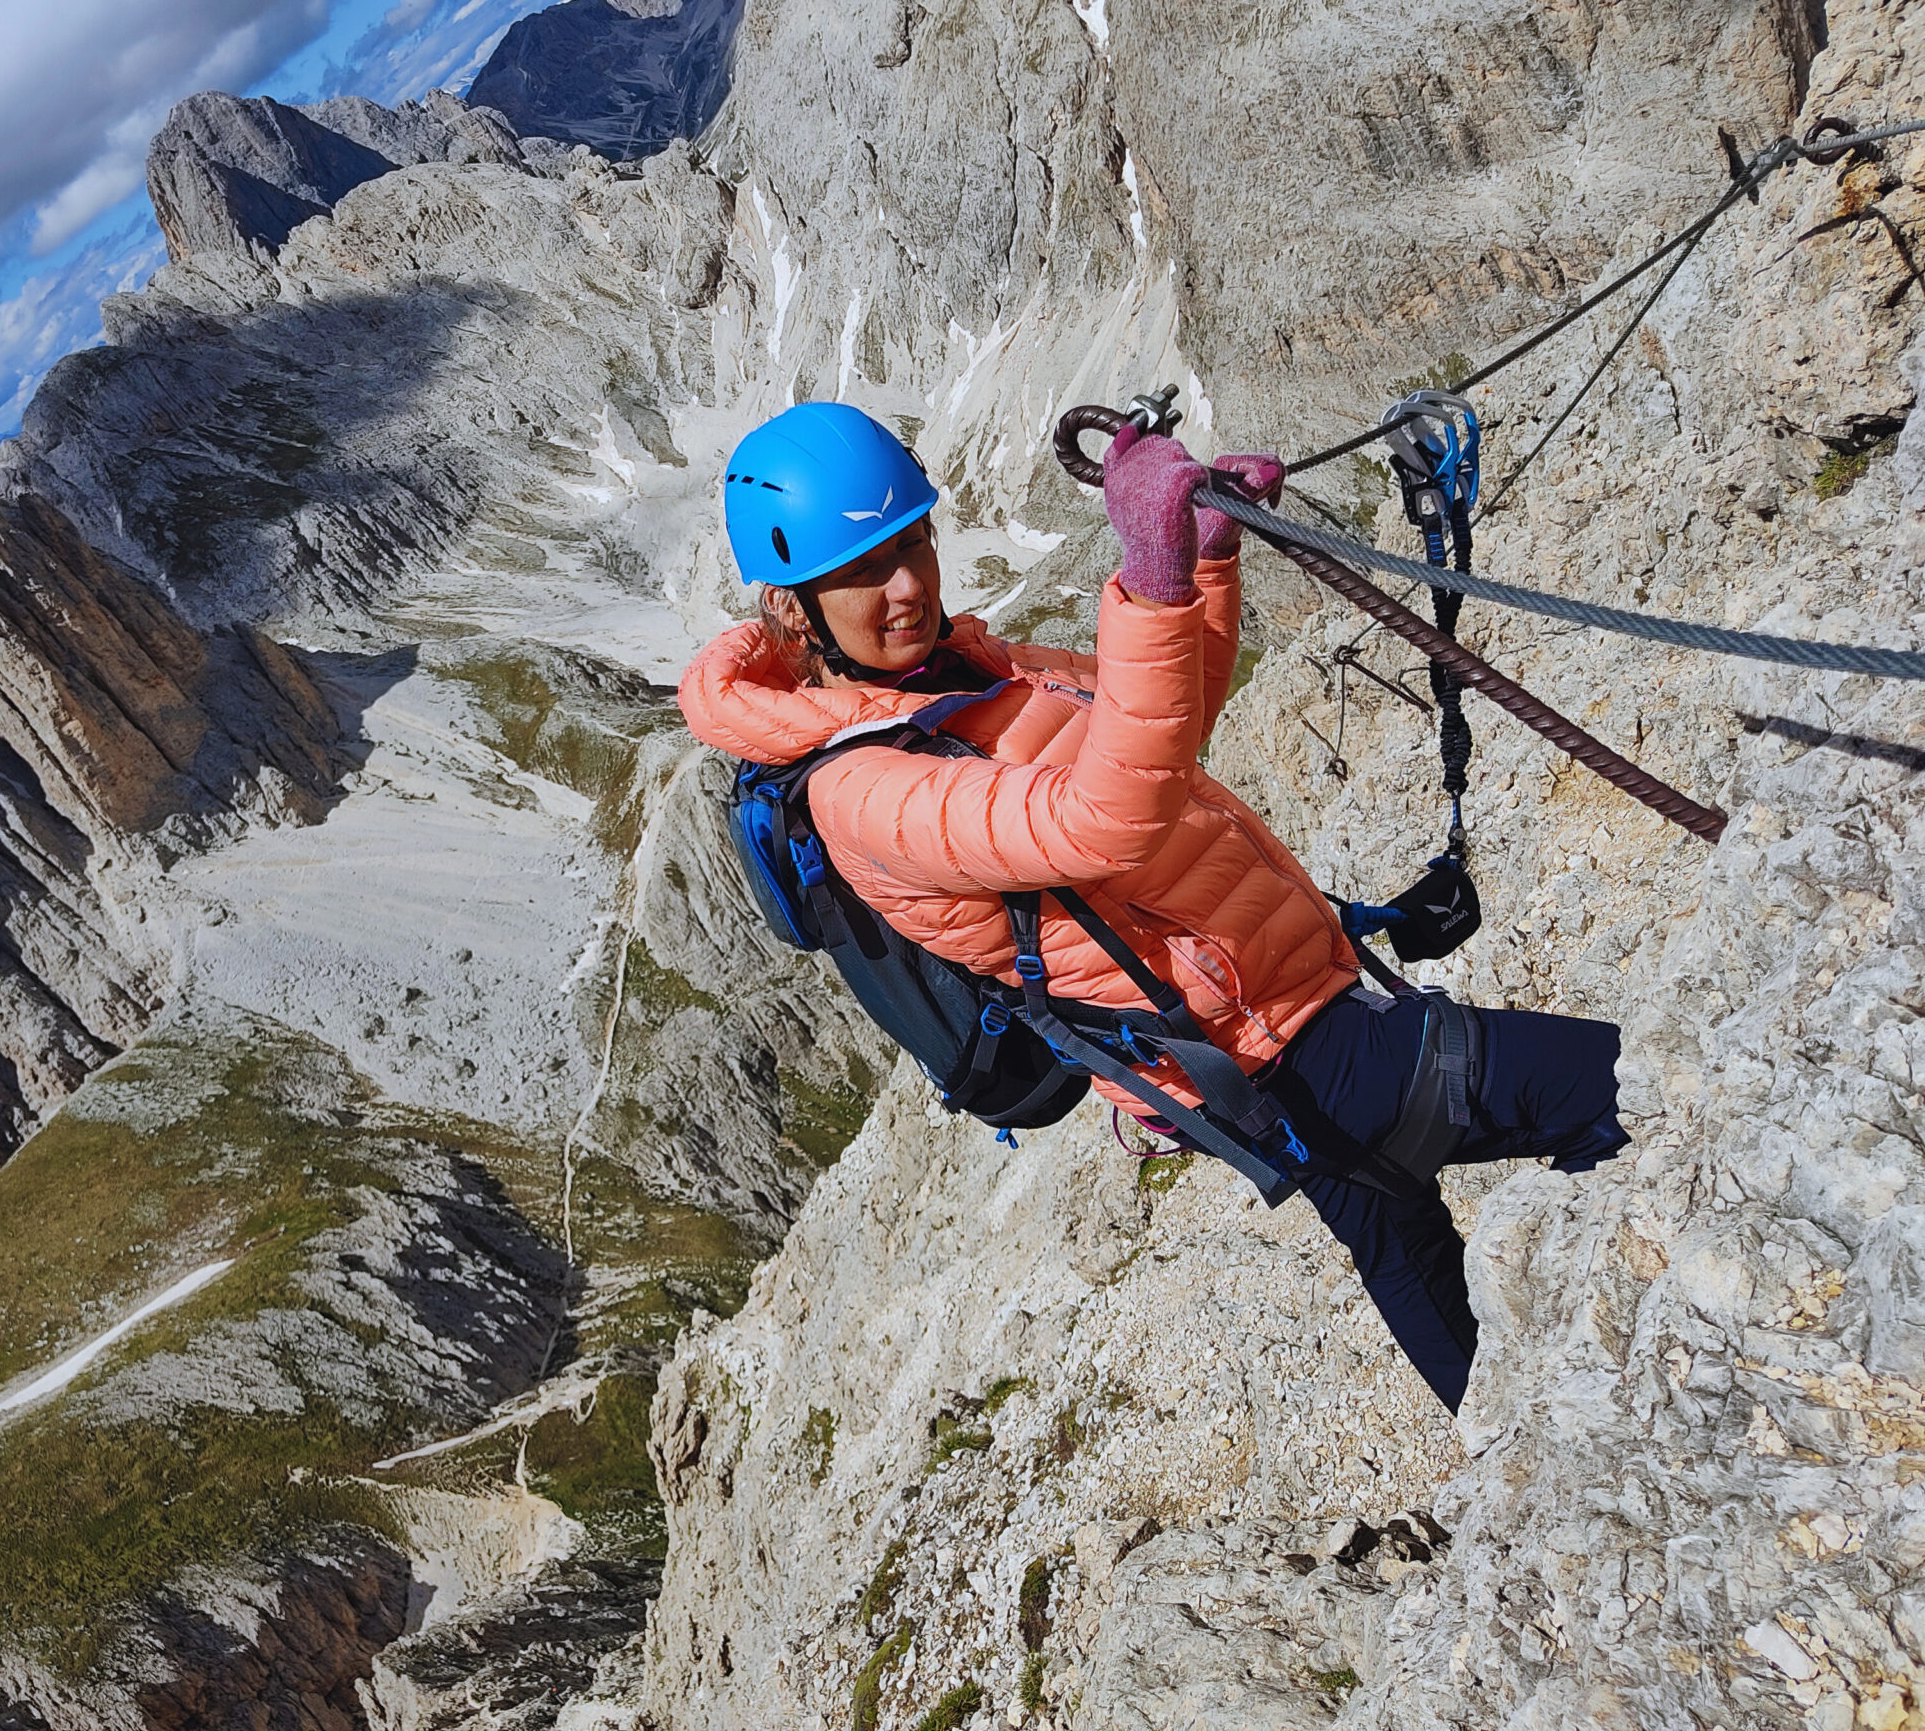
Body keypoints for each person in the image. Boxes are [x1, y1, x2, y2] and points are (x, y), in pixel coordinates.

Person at [678, 401, 1629, 1412]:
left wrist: (1203, 563)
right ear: (790, 607)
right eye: (864, 567)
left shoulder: (965, 675)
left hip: (1272, 1029)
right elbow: (1106, 819)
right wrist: (1151, 583)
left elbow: (1169, 722)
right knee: (1640, 1096)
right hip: (1274, 1048)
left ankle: (1529, 1476)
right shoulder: (858, 792)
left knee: (1401, 1243)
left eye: (913, 540)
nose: (908, 583)